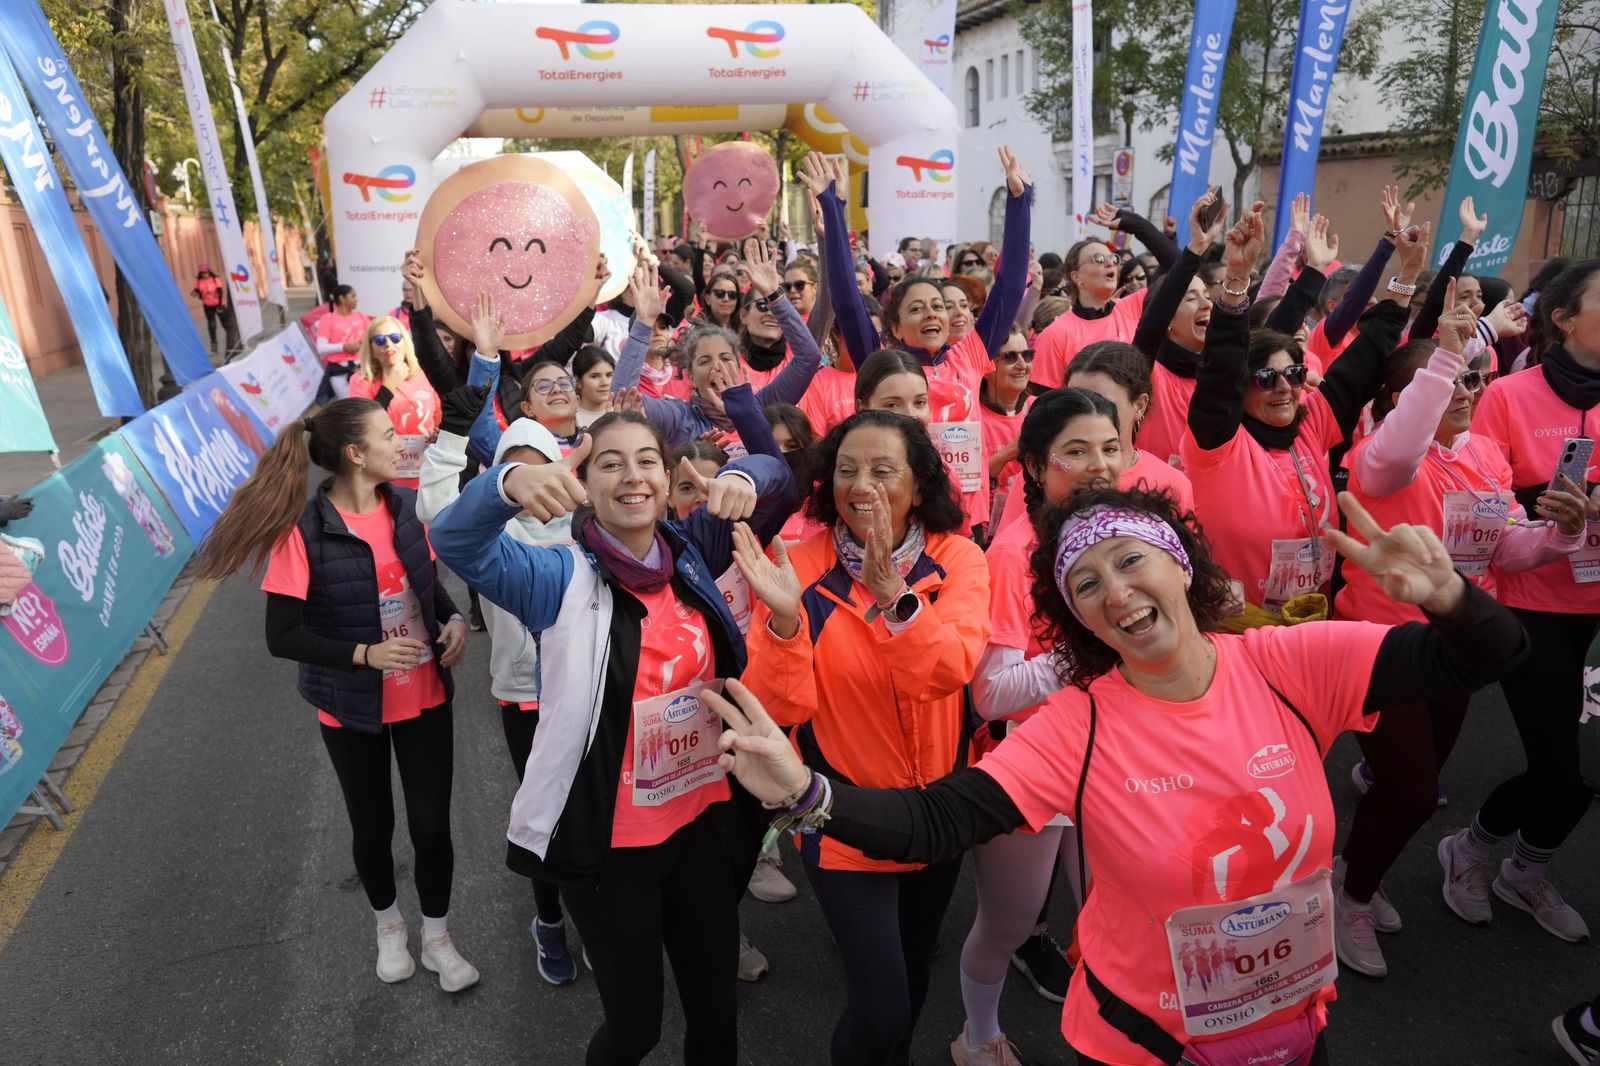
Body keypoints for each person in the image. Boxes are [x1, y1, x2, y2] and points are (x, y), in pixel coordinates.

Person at [710, 480, 1529, 1066]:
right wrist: (803, 793)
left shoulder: (1290, 663)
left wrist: (1452, 597)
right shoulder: (1080, 720)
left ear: (1182, 568)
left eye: (1134, 561)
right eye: (1086, 585)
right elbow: (938, 820)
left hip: (1294, 1018)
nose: (1117, 593)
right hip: (1143, 1039)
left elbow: (1490, 656)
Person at [429, 409, 797, 1065]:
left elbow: (782, 478)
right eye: (610, 462)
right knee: (637, 1028)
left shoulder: (691, 551)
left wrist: (741, 473)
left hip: (703, 823)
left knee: (717, 1017)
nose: (633, 476)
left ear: (667, 477)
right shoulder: (556, 577)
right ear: (584, 485)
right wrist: (507, 482)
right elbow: (456, 543)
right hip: (612, 845)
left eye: (647, 461)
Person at [1333, 283, 1588, 976]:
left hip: (1455, 643)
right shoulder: (1380, 455)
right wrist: (1443, 357)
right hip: (1379, 645)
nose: (1471, 389)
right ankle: (1350, 895)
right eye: (1454, 378)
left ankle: (1353, 866)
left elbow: (1506, 548)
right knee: (1413, 790)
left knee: (1415, 782)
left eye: (1479, 375)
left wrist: (1558, 535)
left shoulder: (1481, 456)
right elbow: (1400, 449)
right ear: (1402, 398)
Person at [733, 409, 989, 1065]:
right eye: (847, 470)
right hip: (839, 814)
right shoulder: (799, 566)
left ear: (920, 482)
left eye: (883, 470)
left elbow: (947, 671)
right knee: (880, 1007)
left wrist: (896, 598)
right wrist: (787, 624)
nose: (862, 485)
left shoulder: (957, 558)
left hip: (939, 813)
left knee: (914, 972)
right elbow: (779, 708)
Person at [197, 398, 476, 993]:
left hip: (424, 692)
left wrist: (451, 622)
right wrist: (365, 655)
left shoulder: (403, 507)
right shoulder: (302, 535)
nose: (400, 440)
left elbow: (427, 587)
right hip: (351, 709)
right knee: (371, 826)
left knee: (432, 829)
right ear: (355, 454)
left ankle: (438, 938)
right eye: (387, 434)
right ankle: (388, 927)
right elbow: (283, 636)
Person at [954, 388, 1127, 1065]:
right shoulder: (1012, 554)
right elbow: (992, 695)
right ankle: (977, 1036)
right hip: (1026, 766)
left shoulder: (1120, 530)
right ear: (1033, 464)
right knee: (1009, 923)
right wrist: (1082, 652)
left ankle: (1118, 1024)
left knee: (1110, 909)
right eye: (1076, 452)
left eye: (1110, 449)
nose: (1098, 465)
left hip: (1108, 757)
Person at [1439, 259, 1600, 944]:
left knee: (1592, 767)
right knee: (1557, 766)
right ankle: (1470, 849)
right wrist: (1551, 512)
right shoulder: (1507, 395)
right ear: (1564, 318)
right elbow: (1484, 503)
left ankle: (1525, 871)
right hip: (1533, 603)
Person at [1182, 198, 1425, 619]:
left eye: (1294, 374)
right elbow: (1219, 367)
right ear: (1241, 388)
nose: (1284, 388)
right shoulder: (1218, 444)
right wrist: (1237, 276)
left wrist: (1406, 275)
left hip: (1314, 616)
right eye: (1265, 378)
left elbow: (1365, 357)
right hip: (1238, 624)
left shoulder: (1310, 423)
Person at [416, 389, 580, 985]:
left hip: (582, 692)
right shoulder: (493, 543)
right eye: (518, 473)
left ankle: (585, 914)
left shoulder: (584, 531)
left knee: (587, 809)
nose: (536, 487)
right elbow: (438, 516)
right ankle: (549, 921)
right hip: (522, 697)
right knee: (541, 815)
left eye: (543, 470)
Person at [804, 147, 1034, 534]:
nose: (931, 314)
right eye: (916, 309)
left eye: (938, 306)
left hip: (965, 524)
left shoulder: (970, 355)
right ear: (894, 327)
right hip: (899, 519)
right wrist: (833, 206)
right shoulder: (881, 363)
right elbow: (845, 298)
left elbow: (1010, 286)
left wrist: (1019, 201)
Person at [614, 256, 822, 450]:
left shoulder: (761, 407)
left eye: (725, 358)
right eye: (704, 361)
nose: (717, 367)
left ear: (739, 367)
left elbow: (808, 358)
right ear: (692, 376)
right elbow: (621, 397)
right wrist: (643, 324)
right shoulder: (677, 417)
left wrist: (775, 296)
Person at [1032, 203, 1180, 389]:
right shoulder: (1054, 335)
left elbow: (1179, 271)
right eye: (1098, 259)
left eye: (1113, 258)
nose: (1110, 263)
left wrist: (1134, 224)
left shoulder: (1134, 307)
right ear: (1076, 277)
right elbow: (1045, 406)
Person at [348, 317, 440, 490]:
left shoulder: (424, 374)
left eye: (395, 338)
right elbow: (361, 426)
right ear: (371, 348)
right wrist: (388, 386)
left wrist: (437, 433)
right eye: (380, 340)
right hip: (385, 480)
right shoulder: (361, 381)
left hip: (428, 474)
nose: (388, 344)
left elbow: (438, 414)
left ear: (405, 341)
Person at [315, 285, 372, 399]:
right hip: (338, 371)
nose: (356, 299)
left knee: (366, 404)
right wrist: (343, 347)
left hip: (361, 368)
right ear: (342, 299)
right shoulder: (328, 319)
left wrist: (360, 344)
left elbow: (371, 337)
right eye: (353, 296)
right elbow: (320, 348)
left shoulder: (361, 316)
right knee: (349, 407)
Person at [574, 345, 617, 428]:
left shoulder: (621, 413)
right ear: (578, 381)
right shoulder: (570, 419)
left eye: (609, 375)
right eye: (595, 376)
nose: (604, 383)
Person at [191, 264, 229, 352]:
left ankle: (234, 338)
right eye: (203, 273)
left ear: (209, 272)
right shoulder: (199, 280)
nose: (205, 274)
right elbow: (196, 290)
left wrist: (219, 305)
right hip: (207, 305)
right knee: (211, 325)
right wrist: (194, 293)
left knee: (225, 323)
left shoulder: (215, 279)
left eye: (206, 272)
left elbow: (220, 292)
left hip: (219, 304)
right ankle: (214, 345)